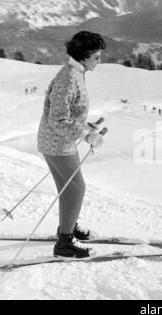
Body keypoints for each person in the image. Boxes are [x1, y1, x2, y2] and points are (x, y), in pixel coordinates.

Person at [37, 31, 106, 258]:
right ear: (84, 56)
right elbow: (57, 119)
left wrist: (86, 126)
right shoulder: (68, 77)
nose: (99, 60)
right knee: (76, 189)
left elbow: (68, 111)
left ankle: (68, 225)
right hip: (57, 143)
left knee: (69, 189)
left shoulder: (77, 72)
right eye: (96, 56)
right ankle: (64, 243)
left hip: (63, 141)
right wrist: (86, 137)